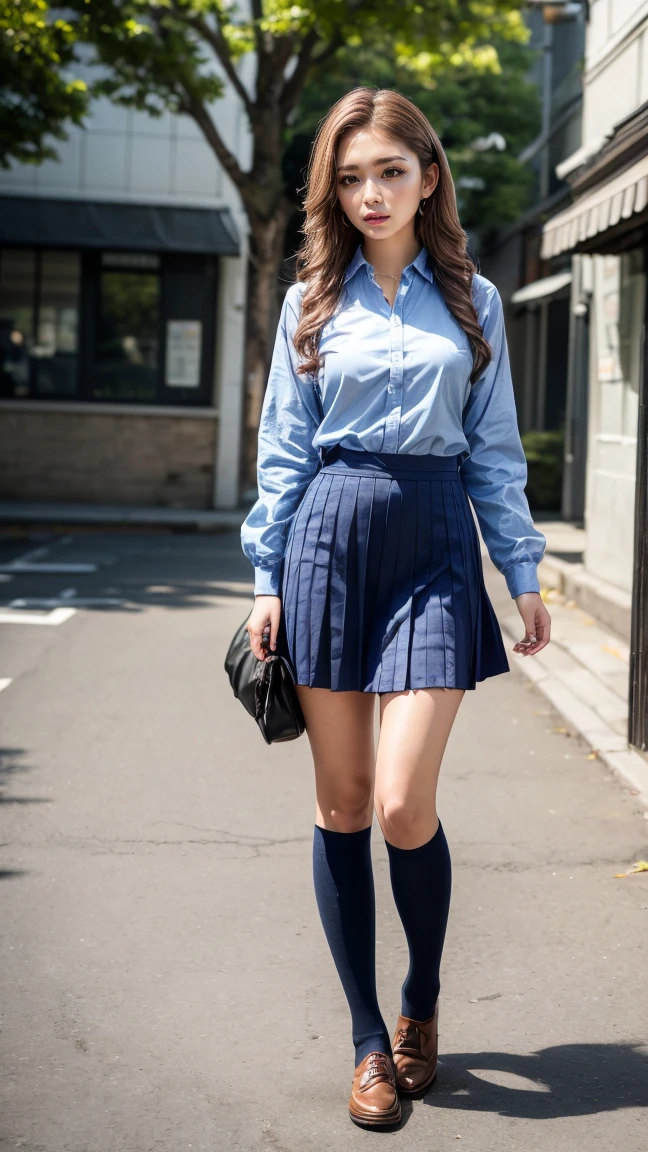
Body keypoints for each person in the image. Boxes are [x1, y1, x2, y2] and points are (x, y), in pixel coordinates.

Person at [240, 87, 551, 1129]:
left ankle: (420, 1000)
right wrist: (264, 579)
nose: (371, 193)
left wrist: (524, 572)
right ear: (335, 188)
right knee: (344, 803)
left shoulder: (474, 300)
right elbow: (285, 448)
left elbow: (494, 452)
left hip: (432, 541)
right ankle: (369, 1041)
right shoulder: (308, 305)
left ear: (428, 177)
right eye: (351, 175)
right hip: (329, 536)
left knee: (407, 803)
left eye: (390, 171)